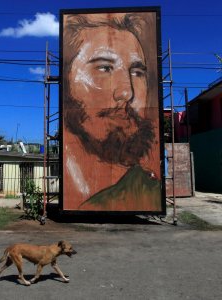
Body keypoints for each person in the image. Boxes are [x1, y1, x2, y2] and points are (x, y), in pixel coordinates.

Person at [61, 12, 163, 211]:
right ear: (65, 80)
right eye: (104, 68)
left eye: (137, 72)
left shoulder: (147, 192)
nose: (127, 92)